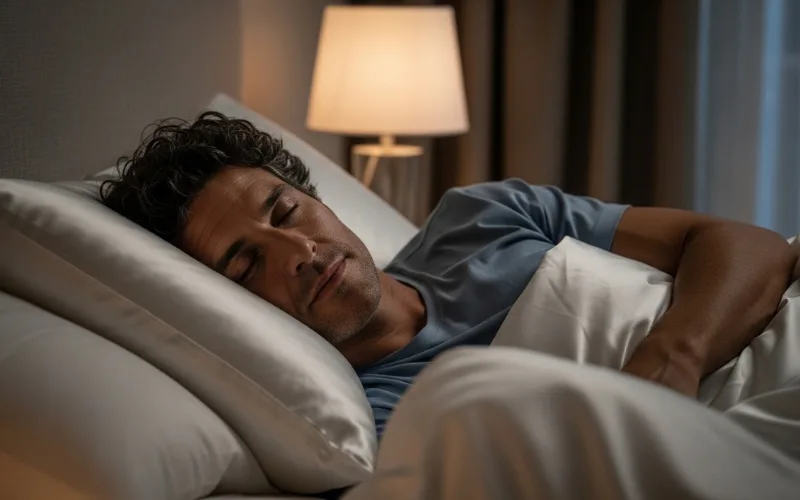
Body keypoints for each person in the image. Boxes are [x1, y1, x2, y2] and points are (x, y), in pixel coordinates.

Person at [101, 112, 795, 438]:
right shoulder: (356, 418)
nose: (299, 254)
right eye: (246, 264)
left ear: (319, 200)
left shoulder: (480, 217)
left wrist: (672, 357)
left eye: (286, 212)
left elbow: (746, 244)